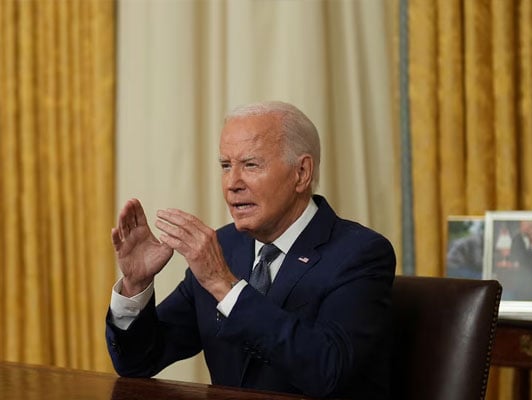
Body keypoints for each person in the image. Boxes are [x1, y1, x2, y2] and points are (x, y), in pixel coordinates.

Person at [105, 101, 397, 400]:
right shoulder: (224, 247)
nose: (232, 184)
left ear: (302, 173)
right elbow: (138, 361)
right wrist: (135, 286)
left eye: (251, 165)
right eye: (225, 166)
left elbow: (327, 371)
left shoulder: (360, 253)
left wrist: (224, 285)